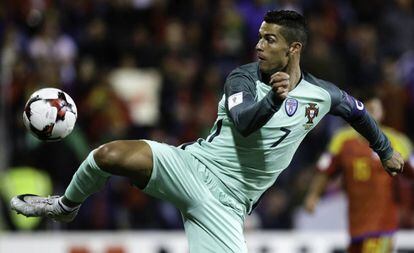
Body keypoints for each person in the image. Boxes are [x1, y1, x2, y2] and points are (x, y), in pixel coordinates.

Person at [10, 10, 404, 252]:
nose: (259, 45)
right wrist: (273, 101)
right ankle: (64, 207)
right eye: (260, 36)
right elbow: (246, 124)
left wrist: (384, 149)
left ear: (294, 49)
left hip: (229, 205)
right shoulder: (242, 78)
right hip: (190, 165)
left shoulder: (322, 94)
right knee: (106, 155)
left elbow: (357, 112)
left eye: (270, 39)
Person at [304, 94, 414, 253]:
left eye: (375, 110)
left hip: (382, 225)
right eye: (368, 109)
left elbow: (411, 172)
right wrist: (313, 195)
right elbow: (325, 170)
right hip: (355, 225)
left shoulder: (397, 141)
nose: (371, 114)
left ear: (382, 113)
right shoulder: (342, 140)